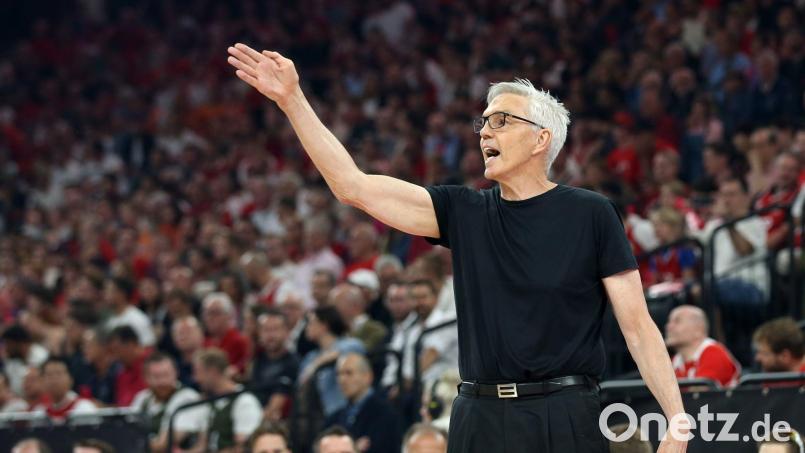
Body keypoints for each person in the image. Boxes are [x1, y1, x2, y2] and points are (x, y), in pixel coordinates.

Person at [227, 44, 686, 452]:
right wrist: (293, 101)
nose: (485, 132)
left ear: (541, 139)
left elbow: (639, 327)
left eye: (502, 121)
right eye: (483, 123)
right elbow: (353, 187)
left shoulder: (591, 213)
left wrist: (676, 421)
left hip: (564, 411)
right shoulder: (463, 210)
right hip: (477, 414)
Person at [325, 353, 402, 453]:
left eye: (349, 373)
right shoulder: (333, 419)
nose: (342, 380)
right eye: (338, 374)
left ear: (367, 376)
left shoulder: (385, 414)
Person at [190, 348, 262, 453]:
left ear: (212, 372)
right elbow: (202, 445)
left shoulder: (244, 401)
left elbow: (242, 448)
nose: (195, 378)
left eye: (198, 372)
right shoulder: (211, 401)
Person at [130, 352, 205, 452]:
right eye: (156, 376)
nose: (162, 381)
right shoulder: (142, 398)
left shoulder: (187, 397)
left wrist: (127, 443)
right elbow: (127, 431)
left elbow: (163, 444)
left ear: (176, 373)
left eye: (166, 375)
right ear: (145, 378)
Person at [665, 305, 741, 387]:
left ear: (698, 330)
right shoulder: (675, 361)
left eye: (677, 321)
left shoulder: (714, 353)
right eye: (669, 322)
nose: (669, 327)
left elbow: (699, 395)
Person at [250, 308, 300, 421]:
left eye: (275, 329)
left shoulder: (292, 363)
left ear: (287, 332)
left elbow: (276, 406)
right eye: (266, 330)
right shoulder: (257, 360)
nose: (270, 335)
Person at [34, 356, 98, 422]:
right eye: (49, 375)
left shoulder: (84, 409)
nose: (54, 379)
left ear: (71, 380)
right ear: (42, 381)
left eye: (59, 374)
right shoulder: (39, 413)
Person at [329, 283, 388, 353]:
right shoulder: (339, 331)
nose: (333, 311)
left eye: (337, 304)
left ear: (353, 305)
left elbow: (365, 353)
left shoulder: (376, 330)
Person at [201, 292, 250, 374]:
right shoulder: (205, 343)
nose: (210, 318)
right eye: (207, 313)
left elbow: (246, 365)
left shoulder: (239, 341)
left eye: (215, 313)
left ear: (229, 315)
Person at [103, 277, 156, 347]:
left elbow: (149, 346)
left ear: (122, 293)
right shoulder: (110, 319)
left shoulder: (137, 318)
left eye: (109, 291)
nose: (105, 295)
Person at [107, 325, 148, 407]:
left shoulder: (152, 366)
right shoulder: (121, 373)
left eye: (117, 350)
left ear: (130, 345)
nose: (115, 356)